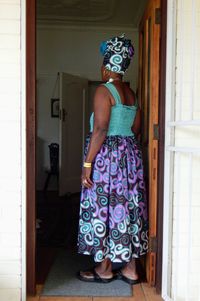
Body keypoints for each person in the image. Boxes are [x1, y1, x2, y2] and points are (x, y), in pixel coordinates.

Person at [76, 34, 149, 284]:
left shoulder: (104, 90)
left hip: (107, 158)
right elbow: (136, 129)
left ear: (106, 65)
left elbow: (101, 129)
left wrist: (87, 164)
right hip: (130, 155)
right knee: (128, 207)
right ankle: (131, 268)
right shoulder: (131, 93)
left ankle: (105, 269)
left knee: (105, 207)